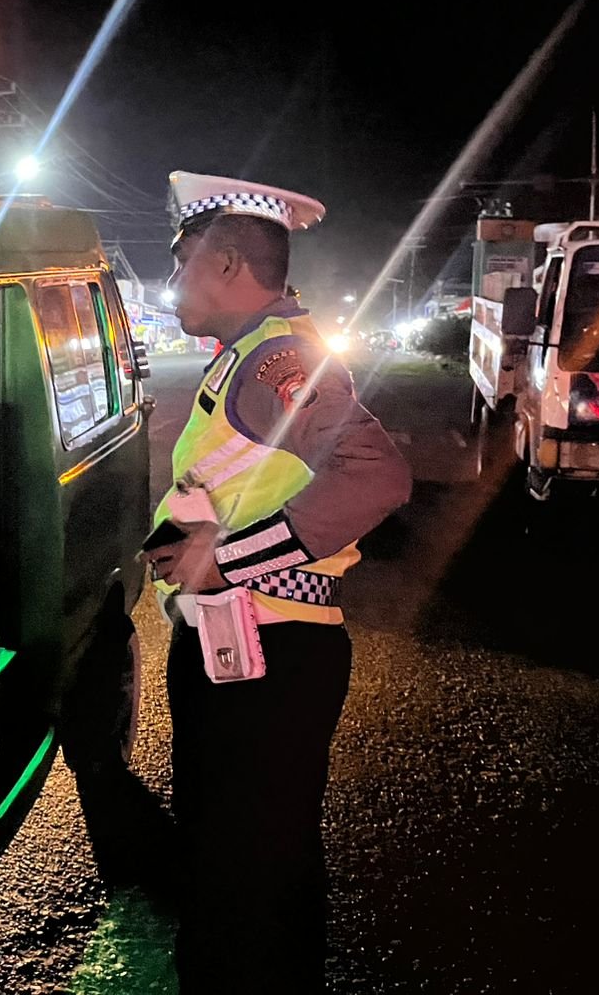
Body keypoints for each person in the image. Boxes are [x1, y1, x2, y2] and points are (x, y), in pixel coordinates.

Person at [143, 171, 412, 994]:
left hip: (264, 658)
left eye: (183, 259)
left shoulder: (277, 360)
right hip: (249, 652)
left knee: (242, 880)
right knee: (255, 867)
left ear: (228, 264)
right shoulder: (251, 355)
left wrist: (226, 557)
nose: (172, 279)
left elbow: (377, 477)